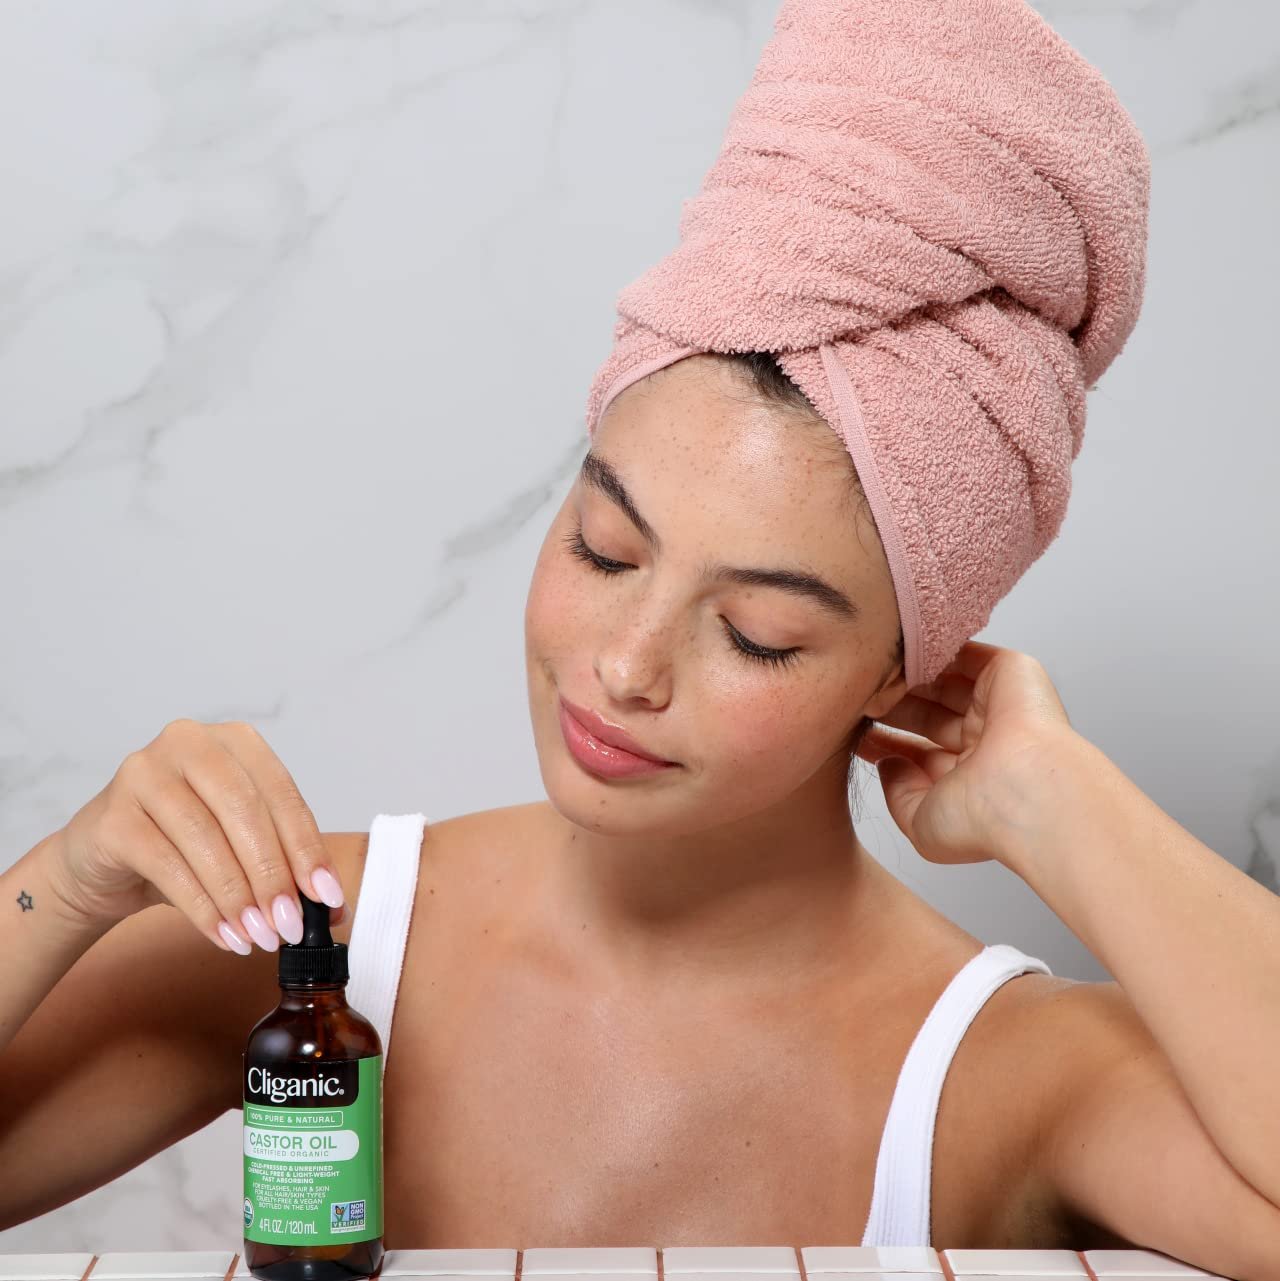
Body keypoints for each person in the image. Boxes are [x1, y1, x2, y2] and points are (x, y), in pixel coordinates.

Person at [2, 350, 1279, 1270]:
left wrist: (1057, 801)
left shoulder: (1006, 1072)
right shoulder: (314, 949)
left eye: (755, 633)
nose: (623, 668)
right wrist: (66, 880)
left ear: (900, 672)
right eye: (603, 550)